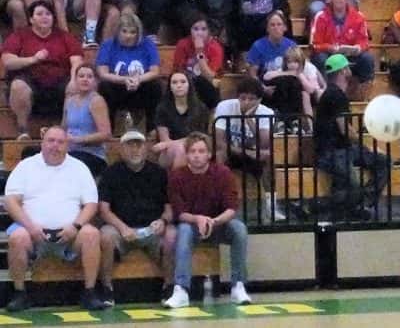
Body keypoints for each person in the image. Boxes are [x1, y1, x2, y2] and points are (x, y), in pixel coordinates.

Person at [3, 126, 105, 312]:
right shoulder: (25, 166)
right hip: (33, 234)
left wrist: (76, 226)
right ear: (42, 142)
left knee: (91, 234)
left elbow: (91, 204)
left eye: (60, 142)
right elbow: (11, 202)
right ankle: (19, 293)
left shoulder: (79, 168)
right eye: (51, 140)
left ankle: (89, 292)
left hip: (71, 235)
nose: (55, 145)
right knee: (17, 237)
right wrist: (30, 227)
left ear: (67, 145)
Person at [164, 132, 251, 308]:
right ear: (186, 154)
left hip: (218, 225)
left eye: (201, 151)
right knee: (183, 230)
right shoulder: (176, 176)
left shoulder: (223, 173)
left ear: (209, 154)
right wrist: (198, 219)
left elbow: (231, 208)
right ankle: (181, 289)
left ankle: (238, 286)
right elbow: (179, 213)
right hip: (192, 226)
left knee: (239, 229)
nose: (197, 155)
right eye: (192, 151)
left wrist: (214, 221)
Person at [98, 129, 176, 304]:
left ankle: (169, 287)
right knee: (105, 235)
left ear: (145, 148)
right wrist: (122, 227)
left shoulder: (159, 173)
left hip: (152, 229)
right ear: (121, 149)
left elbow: (169, 208)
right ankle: (106, 289)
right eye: (130, 145)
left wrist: (163, 221)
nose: (135, 150)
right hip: (120, 229)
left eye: (139, 145)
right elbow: (103, 210)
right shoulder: (110, 173)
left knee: (171, 234)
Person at [313, 53, 389, 220]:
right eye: (347, 67)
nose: (350, 70)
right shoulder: (336, 95)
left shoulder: (334, 93)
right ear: (342, 71)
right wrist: (368, 146)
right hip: (332, 151)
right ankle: (315, 208)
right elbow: (345, 129)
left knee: (383, 162)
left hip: (342, 148)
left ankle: (363, 205)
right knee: (352, 186)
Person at [1, 0, 83, 140]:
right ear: (31, 19)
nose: (45, 17)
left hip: (59, 83)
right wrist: (33, 59)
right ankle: (23, 131)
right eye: (39, 14)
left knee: (76, 84)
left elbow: (77, 61)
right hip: (30, 81)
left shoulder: (64, 36)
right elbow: (8, 61)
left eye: (48, 14)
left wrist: (74, 79)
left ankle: (64, 132)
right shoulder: (20, 35)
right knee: (18, 86)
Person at [212, 76, 277, 220]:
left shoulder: (267, 113)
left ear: (259, 100)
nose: (246, 102)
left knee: (269, 156)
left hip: (253, 153)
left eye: (251, 99)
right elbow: (219, 142)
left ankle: (271, 204)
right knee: (219, 154)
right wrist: (245, 151)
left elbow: (263, 145)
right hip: (231, 151)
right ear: (238, 97)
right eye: (243, 98)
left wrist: (248, 119)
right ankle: (217, 202)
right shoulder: (224, 106)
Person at [95, 10, 162, 131]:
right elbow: (102, 73)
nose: (128, 36)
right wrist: (125, 80)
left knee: (156, 86)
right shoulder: (108, 45)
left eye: (133, 32)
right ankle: (108, 130)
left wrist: (138, 79)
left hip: (141, 86)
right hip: (117, 87)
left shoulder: (148, 44)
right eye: (124, 31)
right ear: (118, 31)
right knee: (104, 86)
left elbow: (155, 71)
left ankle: (152, 130)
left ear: (138, 33)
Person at [308, 0, 373, 85]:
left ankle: (365, 91)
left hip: (350, 56)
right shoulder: (320, 16)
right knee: (320, 58)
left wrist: (358, 48)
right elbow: (314, 44)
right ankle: (326, 91)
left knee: (367, 58)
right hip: (329, 55)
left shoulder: (359, 16)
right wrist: (330, 48)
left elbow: (364, 42)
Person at [153, 70, 210, 169]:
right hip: (168, 152)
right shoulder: (162, 108)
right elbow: (165, 140)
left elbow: (199, 137)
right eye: (174, 82)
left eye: (183, 82)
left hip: (195, 148)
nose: (179, 85)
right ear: (170, 87)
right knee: (180, 149)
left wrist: (177, 144)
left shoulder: (201, 108)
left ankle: (178, 178)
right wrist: (175, 144)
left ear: (189, 85)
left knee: (182, 149)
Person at [62, 62, 111, 178]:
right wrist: (49, 131)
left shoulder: (96, 101)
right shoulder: (69, 101)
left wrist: (78, 140)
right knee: (32, 152)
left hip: (91, 154)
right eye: (81, 76)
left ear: (95, 81)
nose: (85, 79)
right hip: (69, 152)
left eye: (89, 76)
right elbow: (63, 128)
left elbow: (106, 134)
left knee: (71, 164)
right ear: (75, 80)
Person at [172, 14, 224, 111]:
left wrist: (199, 52)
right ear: (190, 30)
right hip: (186, 83)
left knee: (202, 82)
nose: (199, 33)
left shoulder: (215, 47)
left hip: (207, 85)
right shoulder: (182, 44)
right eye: (195, 29)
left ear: (209, 31)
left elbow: (209, 76)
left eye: (204, 29)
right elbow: (178, 71)